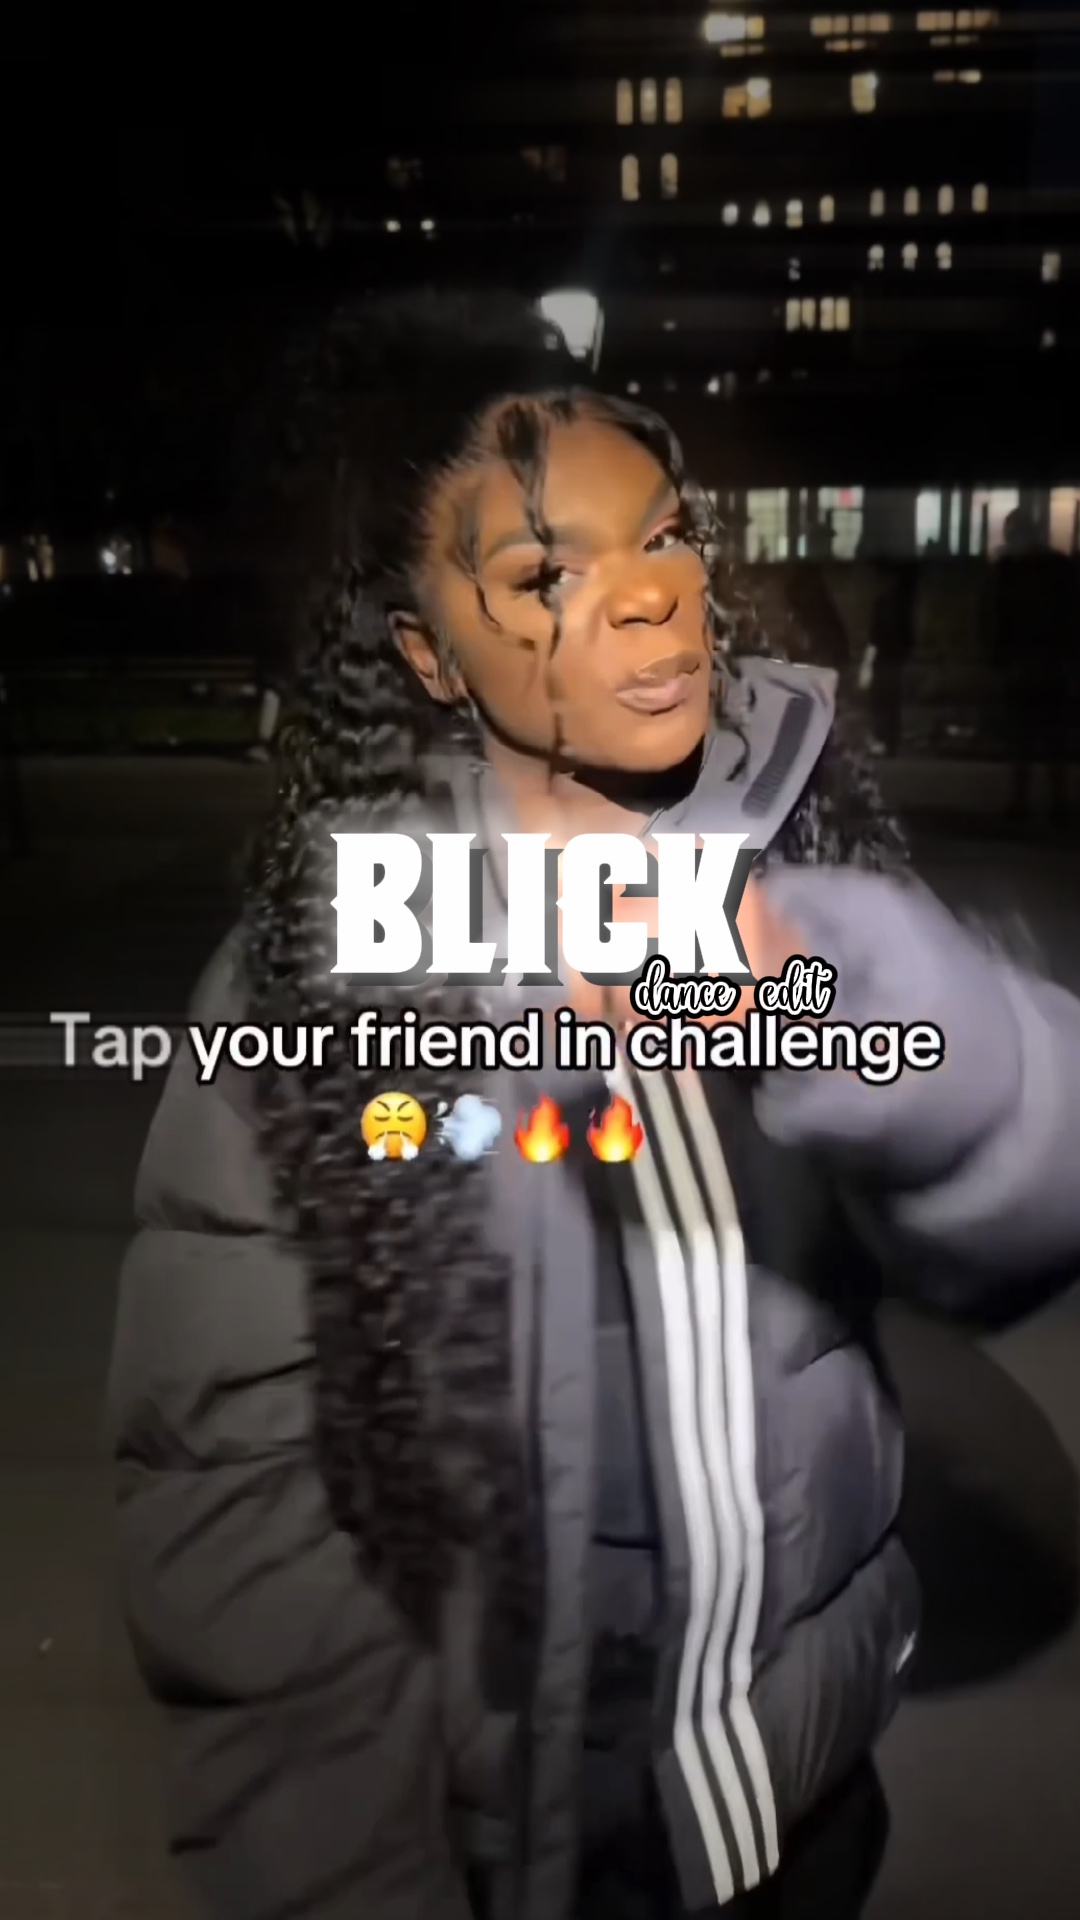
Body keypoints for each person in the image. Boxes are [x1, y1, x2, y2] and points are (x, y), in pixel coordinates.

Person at [108, 291, 1080, 1920]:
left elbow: (1041, 1188)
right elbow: (244, 1528)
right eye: (543, 574)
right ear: (426, 651)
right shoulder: (321, 988)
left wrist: (839, 1006)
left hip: (805, 1812)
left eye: (665, 536)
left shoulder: (801, 866)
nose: (646, 596)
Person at [988, 506, 1077, 823]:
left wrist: (998, 659)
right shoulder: (1058, 567)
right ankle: (1056, 803)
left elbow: (999, 618)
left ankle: (1023, 802)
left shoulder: (1010, 570)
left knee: (1024, 737)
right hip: (1049, 662)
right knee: (1051, 738)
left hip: (1026, 661)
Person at [867, 562, 918, 758]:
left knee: (884, 701)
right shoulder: (900, 605)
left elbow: (875, 637)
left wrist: (867, 665)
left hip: (886, 659)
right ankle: (889, 741)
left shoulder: (884, 604)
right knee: (889, 702)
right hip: (893, 659)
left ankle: (885, 740)